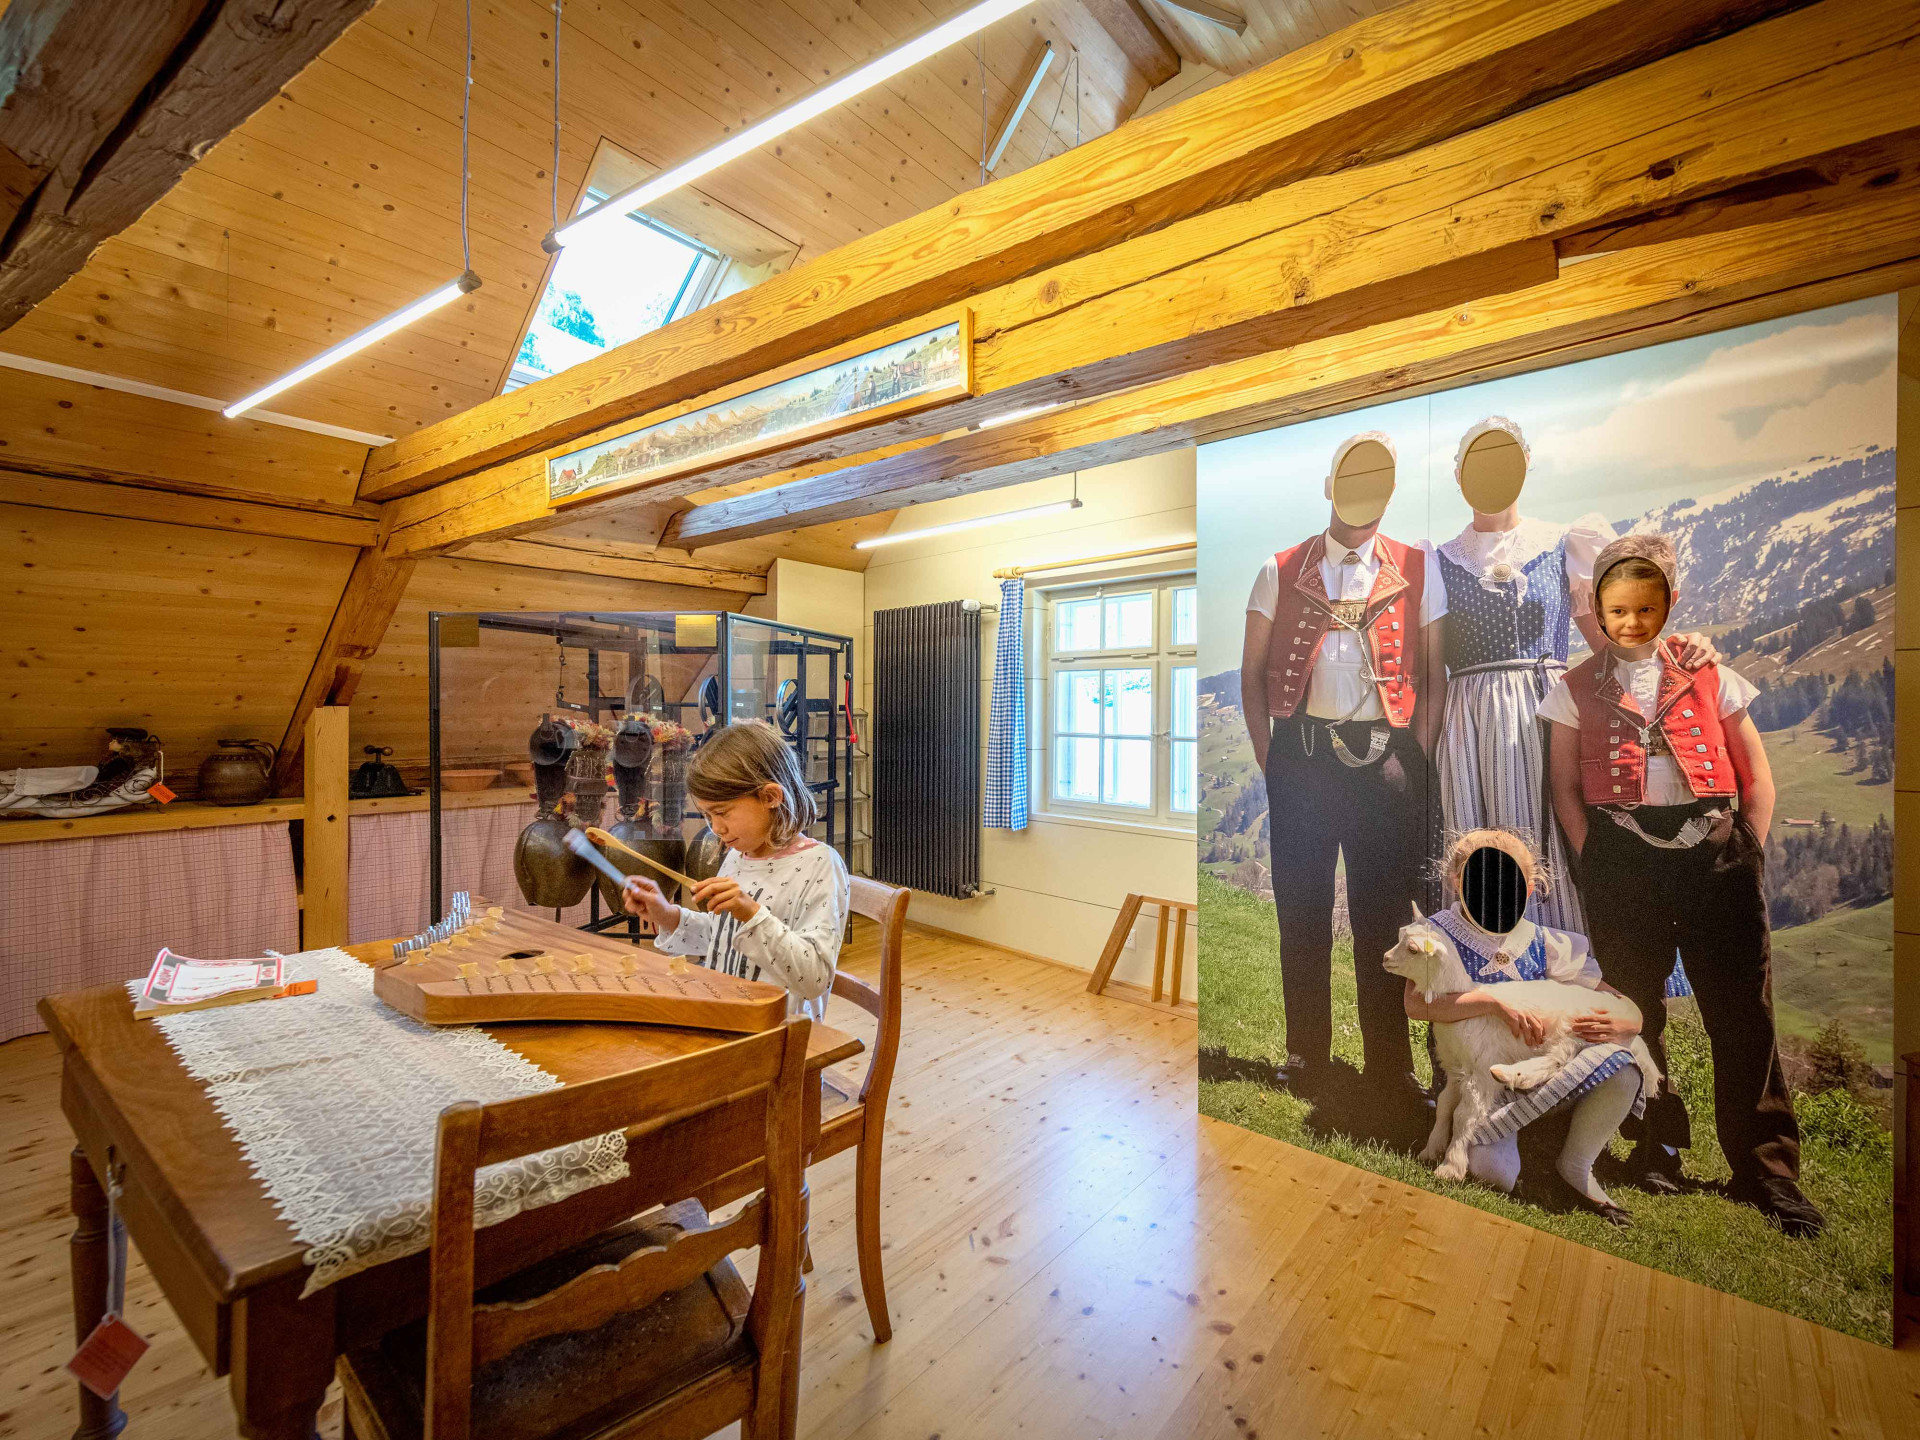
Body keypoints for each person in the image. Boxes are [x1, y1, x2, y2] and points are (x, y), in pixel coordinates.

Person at [1541, 534, 1824, 1237]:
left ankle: (1766, 1171)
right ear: (1598, 610)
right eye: (1617, 606)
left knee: (1742, 1014)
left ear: (1670, 601)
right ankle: (1657, 1144)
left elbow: (1755, 776)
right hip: (1623, 860)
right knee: (1637, 1011)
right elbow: (1566, 789)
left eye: (1647, 603)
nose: (1632, 619)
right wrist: (1597, 859)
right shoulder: (1573, 688)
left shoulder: (1713, 675)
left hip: (1716, 859)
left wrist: (1747, 850)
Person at [1239, 431, 1445, 1136]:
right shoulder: (1279, 567)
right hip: (1301, 758)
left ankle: (1391, 1067)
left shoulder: (1419, 568)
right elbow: (1252, 675)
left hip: (1383, 763)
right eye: (1353, 477)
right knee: (1300, 911)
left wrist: (1410, 759)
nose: (1365, 491)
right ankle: (1307, 1055)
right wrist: (1276, 762)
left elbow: (1433, 678)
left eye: (1379, 479)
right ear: (1329, 485)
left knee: (1381, 921)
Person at [1397, 829, 1648, 1225]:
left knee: (1624, 1067)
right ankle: (1519, 1142)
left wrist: (1633, 1015)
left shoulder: (1541, 941)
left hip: (1546, 1072)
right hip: (1478, 1080)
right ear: (1457, 882)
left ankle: (1576, 1162)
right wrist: (1494, 1001)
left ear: (1528, 889)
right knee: (1492, 1173)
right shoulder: (1439, 932)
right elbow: (1415, 1004)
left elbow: (1610, 995)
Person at [1432, 417, 1615, 932]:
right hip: (1469, 721)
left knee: (1555, 829)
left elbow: (1604, 643)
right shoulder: (1438, 559)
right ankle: (1483, 973)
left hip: (1547, 710)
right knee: (1478, 839)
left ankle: (1562, 967)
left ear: (1525, 465)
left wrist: (1671, 661)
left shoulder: (1563, 542)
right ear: (1460, 475)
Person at [622, 720, 849, 1021]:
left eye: (723, 813)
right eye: (707, 815)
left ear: (770, 797)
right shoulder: (738, 856)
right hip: (727, 1015)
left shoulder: (820, 864)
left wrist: (752, 914)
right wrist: (667, 915)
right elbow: (722, 940)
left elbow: (814, 979)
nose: (716, 828)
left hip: (780, 1036)